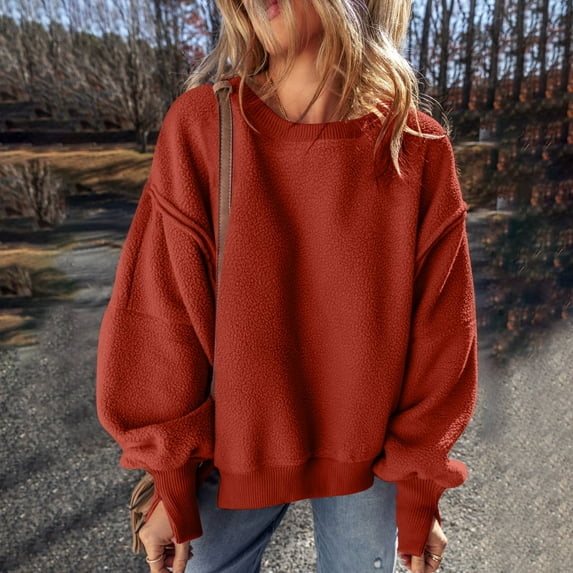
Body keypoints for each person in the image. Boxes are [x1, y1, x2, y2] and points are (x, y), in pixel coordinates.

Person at [96, 1, 478, 572]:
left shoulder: (416, 146)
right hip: (232, 447)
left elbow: (443, 333)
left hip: (371, 455)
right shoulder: (204, 126)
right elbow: (158, 315)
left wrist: (421, 489)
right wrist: (168, 480)